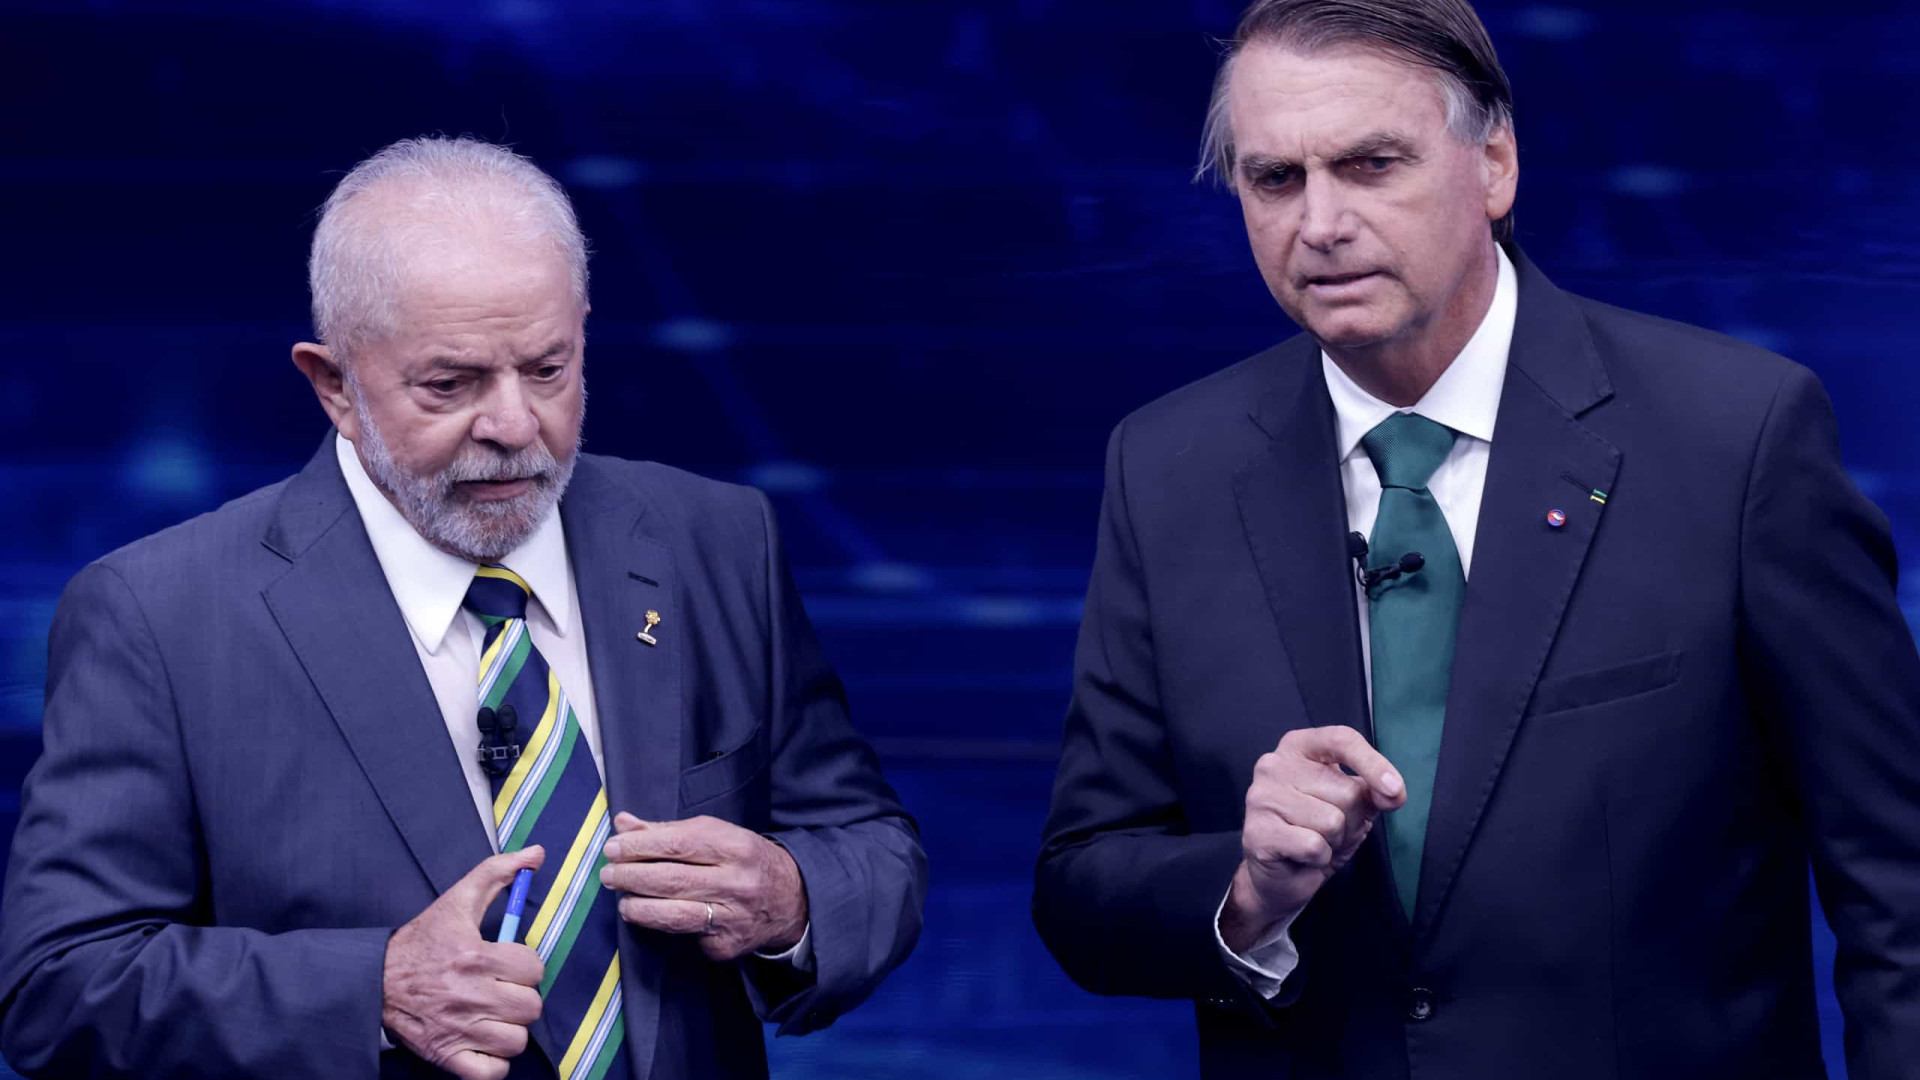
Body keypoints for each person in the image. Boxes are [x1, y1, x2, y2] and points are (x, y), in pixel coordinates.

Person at [1031, 1, 1920, 1076]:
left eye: (1370, 165)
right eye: (1275, 179)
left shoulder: (1737, 438)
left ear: (1494, 165)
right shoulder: (1168, 468)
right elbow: (1083, 888)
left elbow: (1897, 882)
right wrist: (1250, 890)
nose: (1320, 222)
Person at [0, 137, 926, 1080]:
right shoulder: (158, 616)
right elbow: (55, 987)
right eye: (451, 384)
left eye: (548, 369)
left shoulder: (717, 541)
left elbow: (871, 849)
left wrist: (794, 898)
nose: (515, 426)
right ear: (334, 386)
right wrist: (373, 990)